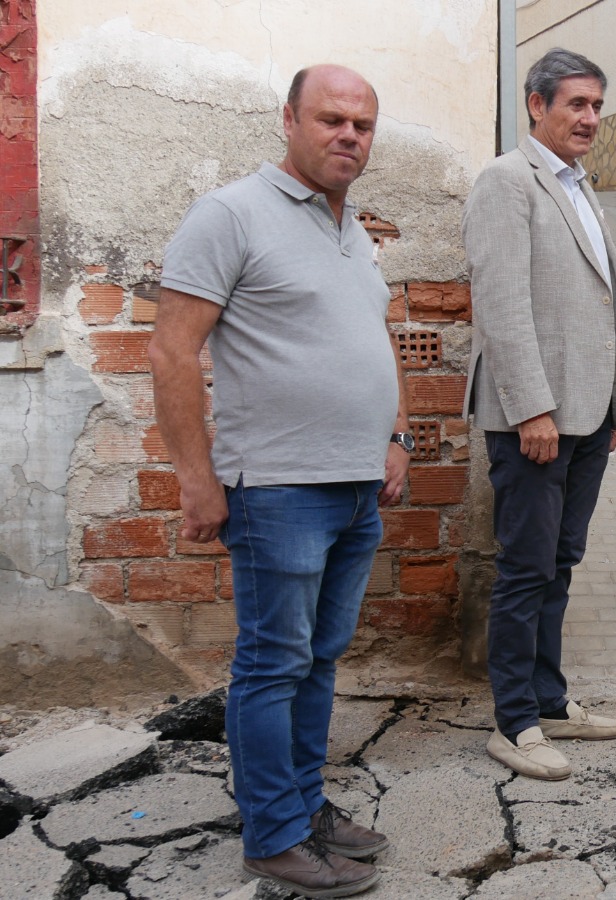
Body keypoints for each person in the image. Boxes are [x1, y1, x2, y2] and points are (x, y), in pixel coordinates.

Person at [150, 64, 398, 898]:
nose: (348, 136)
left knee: (320, 660)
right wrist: (197, 478)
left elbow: (372, 336)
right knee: (272, 663)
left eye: (362, 124)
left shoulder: (352, 226)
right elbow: (170, 349)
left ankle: (301, 802)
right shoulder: (231, 213)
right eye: (330, 119)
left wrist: (395, 437)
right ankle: (273, 834)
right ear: (289, 119)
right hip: (279, 490)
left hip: (357, 486)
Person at [462, 48, 616, 781]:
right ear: (537, 105)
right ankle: (514, 722)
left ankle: (551, 701)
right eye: (577, 105)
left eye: (597, 105)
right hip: (536, 416)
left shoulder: (580, 186)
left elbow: (603, 301)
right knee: (526, 569)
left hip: (589, 415)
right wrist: (533, 407)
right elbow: (501, 303)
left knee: (560, 563)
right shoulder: (507, 181)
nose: (591, 118)